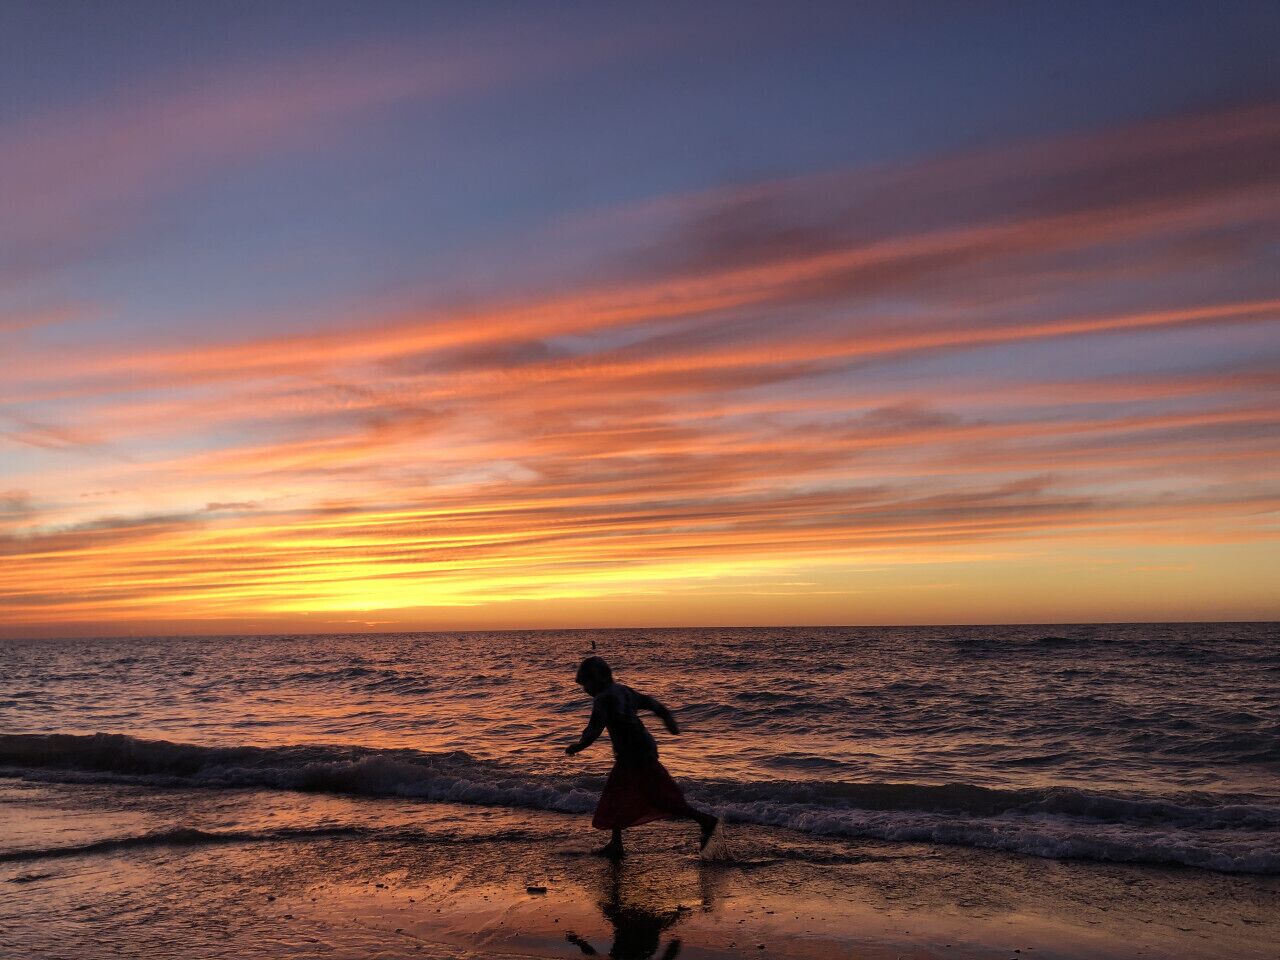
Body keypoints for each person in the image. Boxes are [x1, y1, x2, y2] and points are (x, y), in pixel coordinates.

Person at [565, 656, 718, 858]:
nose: (585, 689)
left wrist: (578, 746)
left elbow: (594, 729)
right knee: (623, 795)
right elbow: (653, 704)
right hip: (643, 750)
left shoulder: (603, 699)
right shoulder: (624, 691)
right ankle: (616, 843)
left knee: (658, 798)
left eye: (586, 684)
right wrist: (669, 721)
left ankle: (705, 821)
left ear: (597, 679)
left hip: (632, 755)